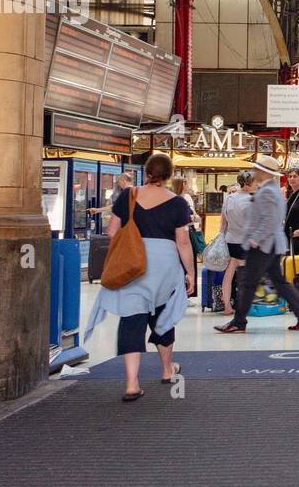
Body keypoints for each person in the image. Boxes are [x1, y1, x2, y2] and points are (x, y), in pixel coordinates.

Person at [85, 152, 194, 402]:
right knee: (163, 316)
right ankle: (167, 370)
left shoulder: (128, 196)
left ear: (146, 173)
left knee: (132, 318)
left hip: (133, 263)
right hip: (164, 265)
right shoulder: (177, 203)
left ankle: (132, 383)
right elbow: (183, 241)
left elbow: (112, 231)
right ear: (169, 176)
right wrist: (189, 272)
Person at [214, 155, 299, 335]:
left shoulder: (268, 192)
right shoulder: (271, 189)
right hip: (272, 244)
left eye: (257, 169)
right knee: (279, 282)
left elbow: (269, 220)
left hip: (263, 245)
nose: (254, 171)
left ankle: (238, 321)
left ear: (263, 172)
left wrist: (255, 239)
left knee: (247, 283)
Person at [220, 170, 256, 315]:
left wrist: (221, 235)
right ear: (249, 183)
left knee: (228, 275)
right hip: (244, 242)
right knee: (243, 278)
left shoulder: (229, 198)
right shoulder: (249, 201)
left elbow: (223, 221)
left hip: (230, 240)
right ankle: (243, 308)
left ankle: (227, 306)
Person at [170, 176, 202, 298]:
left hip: (186, 232)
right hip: (183, 234)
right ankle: (183, 291)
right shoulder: (178, 200)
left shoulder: (184, 198)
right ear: (182, 184)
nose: (188, 185)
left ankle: (186, 292)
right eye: (186, 183)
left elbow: (193, 214)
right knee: (184, 262)